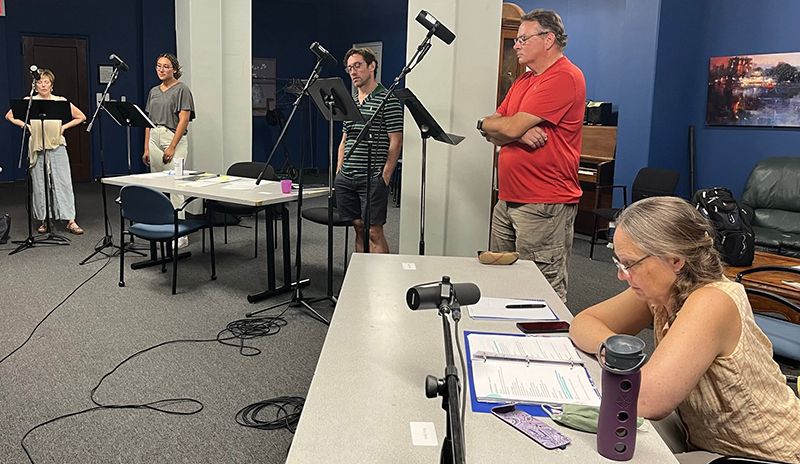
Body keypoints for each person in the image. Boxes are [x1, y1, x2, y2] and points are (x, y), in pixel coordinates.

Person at [569, 196, 800, 463]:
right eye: (619, 263)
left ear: (675, 260)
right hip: (705, 439)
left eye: (629, 264)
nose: (622, 275)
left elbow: (647, 400)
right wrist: (613, 349)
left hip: (768, 455)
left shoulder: (713, 300)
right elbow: (583, 322)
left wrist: (618, 362)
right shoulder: (660, 291)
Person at [478, 9, 585, 303]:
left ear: (548, 39)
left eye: (523, 38)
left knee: (541, 290)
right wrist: (518, 132)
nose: (516, 44)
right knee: (501, 279)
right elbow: (490, 125)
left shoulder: (564, 76)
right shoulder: (524, 81)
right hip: (508, 198)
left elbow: (504, 126)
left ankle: (546, 348)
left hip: (543, 203)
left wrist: (509, 128)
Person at [334, 48, 403, 253]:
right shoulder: (351, 101)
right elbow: (345, 138)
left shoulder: (387, 99)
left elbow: (396, 140)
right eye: (349, 68)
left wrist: (385, 176)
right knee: (358, 228)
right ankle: (361, 278)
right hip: (347, 175)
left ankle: (381, 281)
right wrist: (339, 168)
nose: (353, 72)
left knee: (374, 231)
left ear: (371, 66)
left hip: (372, 177)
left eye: (358, 66)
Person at [5, 69, 86, 235]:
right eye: (40, 82)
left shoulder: (59, 101)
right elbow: (9, 115)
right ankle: (43, 220)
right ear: (35, 85)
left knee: (63, 182)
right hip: (37, 146)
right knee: (40, 184)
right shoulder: (29, 101)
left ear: (52, 85)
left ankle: (70, 219)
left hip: (57, 145)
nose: (43, 84)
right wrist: (25, 125)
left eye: (46, 82)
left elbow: (81, 117)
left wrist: (63, 127)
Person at [143, 53, 195, 248]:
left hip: (173, 136)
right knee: (156, 184)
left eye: (165, 66)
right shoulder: (154, 91)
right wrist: (146, 146)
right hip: (154, 137)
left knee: (176, 185)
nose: (161, 69)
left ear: (174, 69)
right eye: (158, 66)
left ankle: (180, 233)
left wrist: (172, 146)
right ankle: (160, 227)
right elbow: (147, 120)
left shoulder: (182, 90)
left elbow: (184, 119)